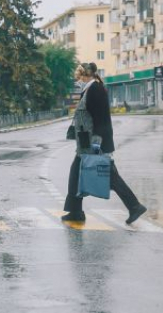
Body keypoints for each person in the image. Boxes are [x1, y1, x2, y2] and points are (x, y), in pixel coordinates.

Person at [62, 62, 147, 225]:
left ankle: (134, 206)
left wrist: (97, 144)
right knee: (76, 173)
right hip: (86, 143)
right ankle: (75, 211)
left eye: (78, 78)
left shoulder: (95, 90)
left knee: (110, 177)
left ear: (86, 76)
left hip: (94, 143)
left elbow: (101, 119)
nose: (77, 81)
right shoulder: (90, 89)